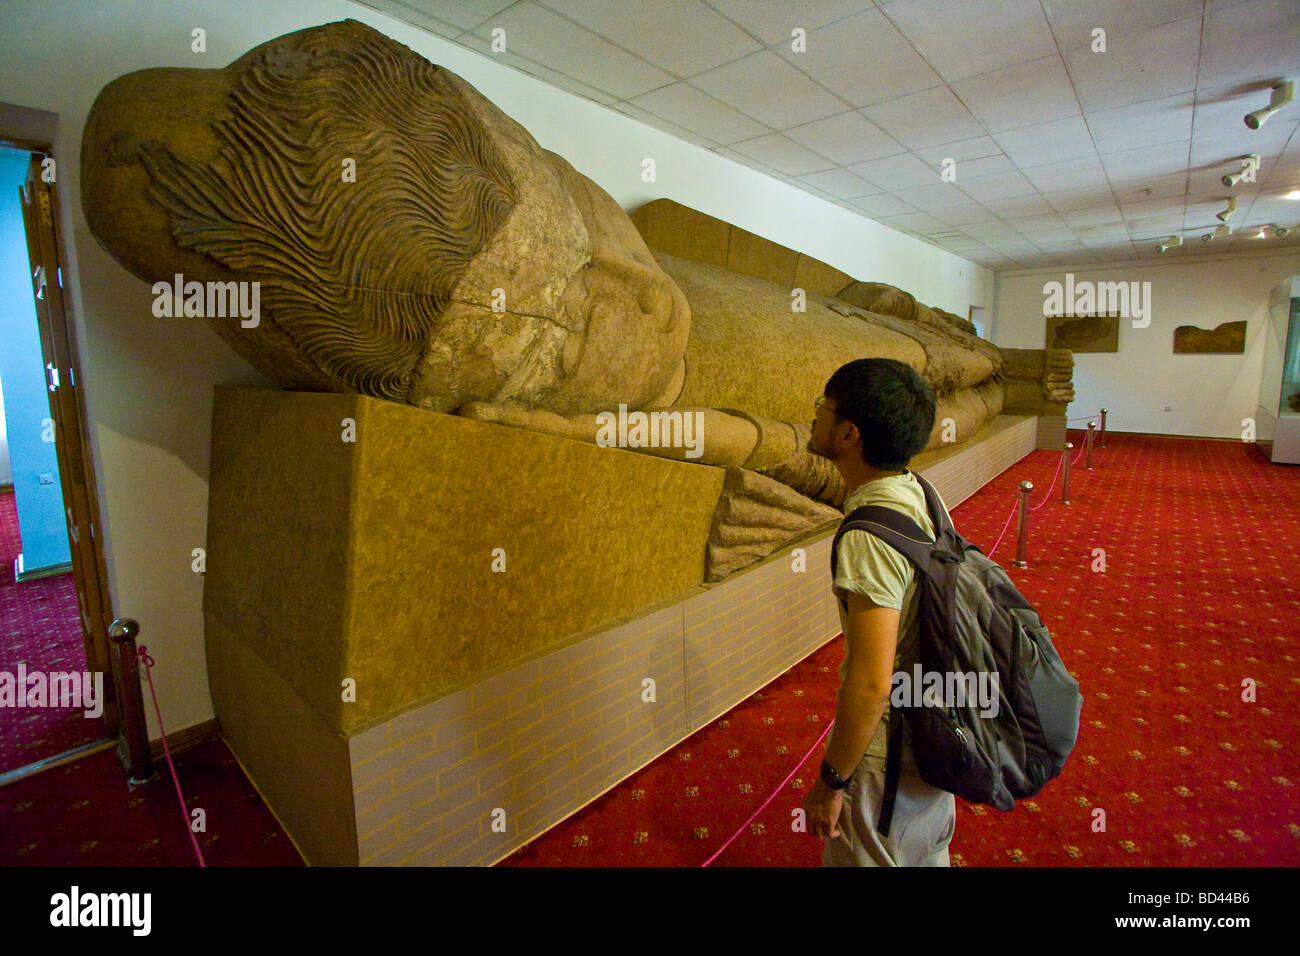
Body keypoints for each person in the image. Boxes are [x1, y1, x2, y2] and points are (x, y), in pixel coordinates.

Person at [801, 357, 957, 867]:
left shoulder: (869, 534)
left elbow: (871, 682)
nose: (814, 418)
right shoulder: (921, 491)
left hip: (892, 752)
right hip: (938, 720)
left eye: (822, 408)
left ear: (848, 433)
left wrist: (832, 781)